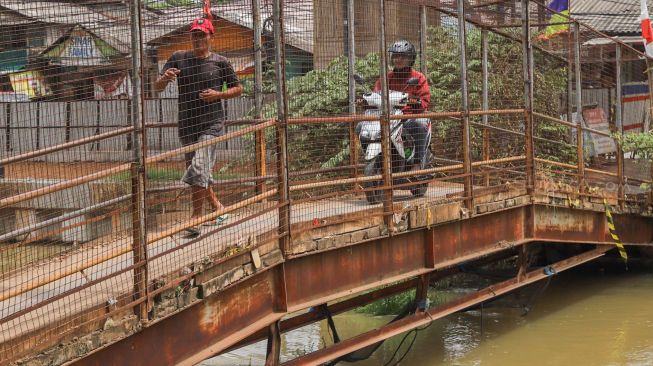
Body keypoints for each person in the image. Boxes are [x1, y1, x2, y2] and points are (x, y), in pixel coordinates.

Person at [154, 16, 243, 237]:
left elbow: (238, 89)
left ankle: (196, 218)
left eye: (202, 35)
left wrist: (219, 95)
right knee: (198, 171)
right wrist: (164, 78)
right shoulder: (178, 58)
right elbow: (156, 88)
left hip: (212, 124)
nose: (197, 39)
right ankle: (218, 209)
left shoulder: (220, 62)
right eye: (194, 34)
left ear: (211, 36)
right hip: (187, 124)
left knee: (199, 167)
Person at [374, 40, 431, 169]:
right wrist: (365, 100)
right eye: (395, 56)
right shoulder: (386, 78)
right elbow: (376, 94)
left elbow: (424, 101)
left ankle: (417, 162)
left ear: (411, 59)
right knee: (361, 126)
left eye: (403, 56)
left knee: (418, 124)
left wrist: (414, 101)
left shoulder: (419, 77)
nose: (398, 59)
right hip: (389, 118)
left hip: (409, 117)